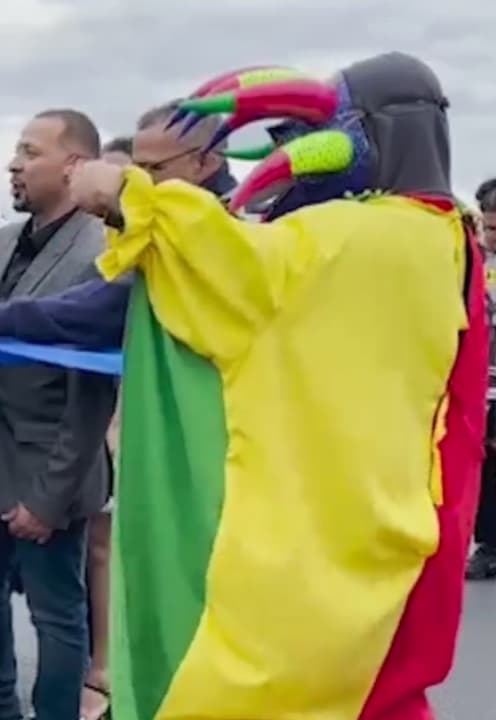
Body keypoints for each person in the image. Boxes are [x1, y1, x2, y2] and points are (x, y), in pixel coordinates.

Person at [43, 53, 480, 719]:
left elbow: (233, 264)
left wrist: (127, 193)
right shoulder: (445, 237)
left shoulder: (359, 235)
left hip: (319, 526)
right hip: (391, 516)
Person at [0, 109, 116, 720]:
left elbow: (91, 393)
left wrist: (48, 499)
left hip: (52, 469)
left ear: (74, 165)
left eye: (29, 152)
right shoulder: (3, 241)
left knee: (57, 613)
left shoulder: (101, 251)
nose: (14, 165)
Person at [468, 178, 496, 580]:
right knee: (487, 464)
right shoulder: (474, 262)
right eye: (489, 227)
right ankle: (489, 545)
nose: (493, 236)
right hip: (482, 381)